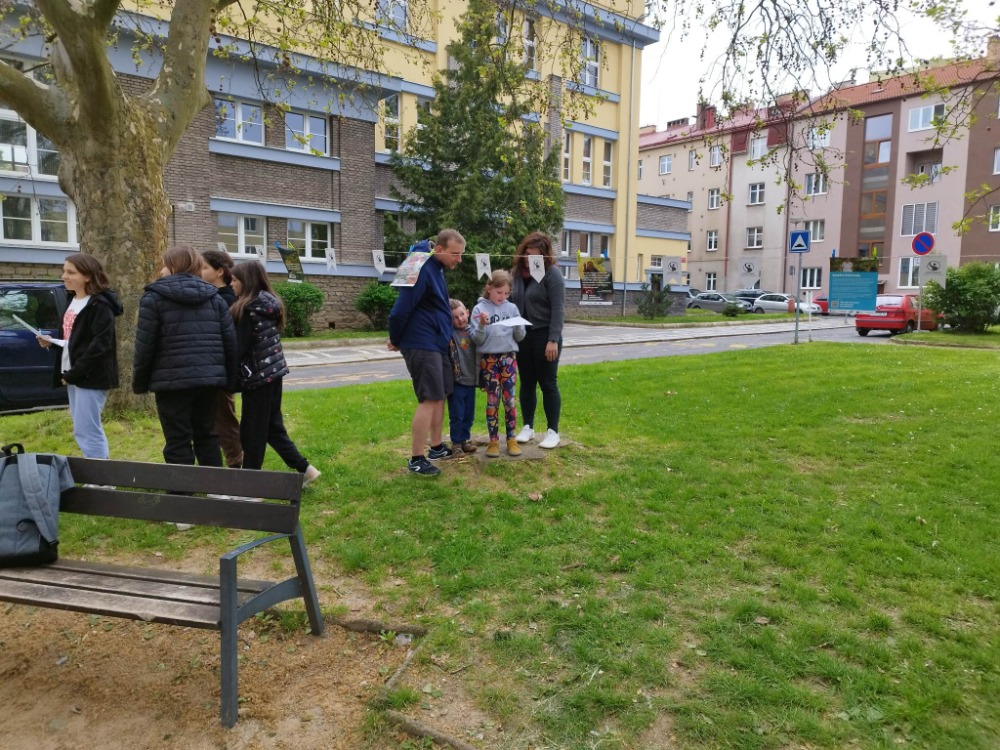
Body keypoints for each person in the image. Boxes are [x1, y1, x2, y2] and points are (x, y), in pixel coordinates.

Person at [133, 245, 238, 467]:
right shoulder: (215, 298)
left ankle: (182, 485)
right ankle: (214, 483)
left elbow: (145, 345)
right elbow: (229, 342)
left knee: (177, 439)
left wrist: (140, 383)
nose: (161, 270)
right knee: (207, 435)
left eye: (164, 265)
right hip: (209, 380)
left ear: (173, 267)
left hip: (171, 382)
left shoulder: (154, 298)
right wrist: (230, 380)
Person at [229, 261, 320, 485]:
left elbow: (239, 349)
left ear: (247, 282)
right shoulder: (268, 304)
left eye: (235, 280)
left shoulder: (246, 309)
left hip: (257, 379)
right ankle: (306, 470)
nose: (231, 284)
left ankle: (250, 486)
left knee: (252, 432)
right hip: (273, 374)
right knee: (272, 428)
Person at [387, 229, 466, 476]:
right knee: (429, 398)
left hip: (436, 342)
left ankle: (436, 447)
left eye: (461, 254)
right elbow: (399, 310)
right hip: (421, 343)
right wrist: (396, 339)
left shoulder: (436, 268)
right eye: (456, 254)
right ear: (439, 249)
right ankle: (416, 458)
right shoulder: (418, 265)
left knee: (440, 394)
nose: (459, 259)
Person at [37, 254, 122, 458]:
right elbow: (75, 341)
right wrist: (52, 342)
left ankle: (100, 475)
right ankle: (96, 471)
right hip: (74, 373)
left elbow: (100, 346)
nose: (64, 276)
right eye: (64, 271)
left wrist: (75, 373)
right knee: (81, 428)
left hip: (91, 376)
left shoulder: (100, 305)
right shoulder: (72, 300)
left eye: (71, 272)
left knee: (88, 429)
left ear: (88, 276)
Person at [510, 231, 564, 450]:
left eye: (534, 255)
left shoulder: (552, 274)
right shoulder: (516, 274)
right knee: (527, 382)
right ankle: (528, 427)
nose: (529, 258)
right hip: (523, 335)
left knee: (548, 383)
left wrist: (553, 339)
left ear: (544, 255)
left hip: (545, 335)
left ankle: (553, 431)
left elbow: (558, 310)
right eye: (527, 253)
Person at [469, 270, 526, 458]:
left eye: (506, 293)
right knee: (492, 400)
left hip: (508, 358)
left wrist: (518, 325)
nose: (503, 297)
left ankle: (511, 438)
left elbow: (520, 337)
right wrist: (482, 324)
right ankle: (493, 440)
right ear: (489, 288)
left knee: (510, 400)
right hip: (489, 360)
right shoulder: (479, 309)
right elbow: (477, 340)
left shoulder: (512, 308)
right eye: (499, 292)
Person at [201, 248, 243, 469]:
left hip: (221, 370)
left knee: (225, 421)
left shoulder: (226, 299)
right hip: (213, 369)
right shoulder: (215, 296)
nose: (200, 271)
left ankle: (236, 466)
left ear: (219, 271)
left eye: (204, 267)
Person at [447, 299, 478, 455]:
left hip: (471, 381)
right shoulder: (450, 333)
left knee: (468, 414)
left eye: (462, 314)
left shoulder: (474, 331)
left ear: (467, 312)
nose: (460, 319)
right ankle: (456, 443)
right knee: (457, 415)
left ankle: (465, 439)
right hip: (457, 382)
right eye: (455, 317)